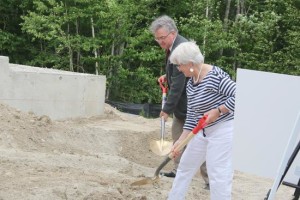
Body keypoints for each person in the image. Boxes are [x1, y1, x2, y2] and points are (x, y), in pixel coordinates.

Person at [168, 41, 236, 200]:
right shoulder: (191, 83)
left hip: (223, 130)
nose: (178, 69)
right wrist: (181, 140)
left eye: (179, 65)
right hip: (203, 131)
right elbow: (192, 115)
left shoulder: (215, 76)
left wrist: (219, 111)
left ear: (190, 63)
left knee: (218, 173)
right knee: (185, 166)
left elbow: (241, 95)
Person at [149, 15, 209, 188]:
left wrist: (166, 109)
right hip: (183, 107)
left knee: (198, 140)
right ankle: (177, 170)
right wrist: (166, 76)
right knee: (178, 137)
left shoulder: (181, 49)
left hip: (192, 104)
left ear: (172, 33)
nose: (159, 42)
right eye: (157, 38)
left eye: (162, 38)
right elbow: (176, 75)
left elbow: (179, 84)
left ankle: (210, 180)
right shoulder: (172, 46)